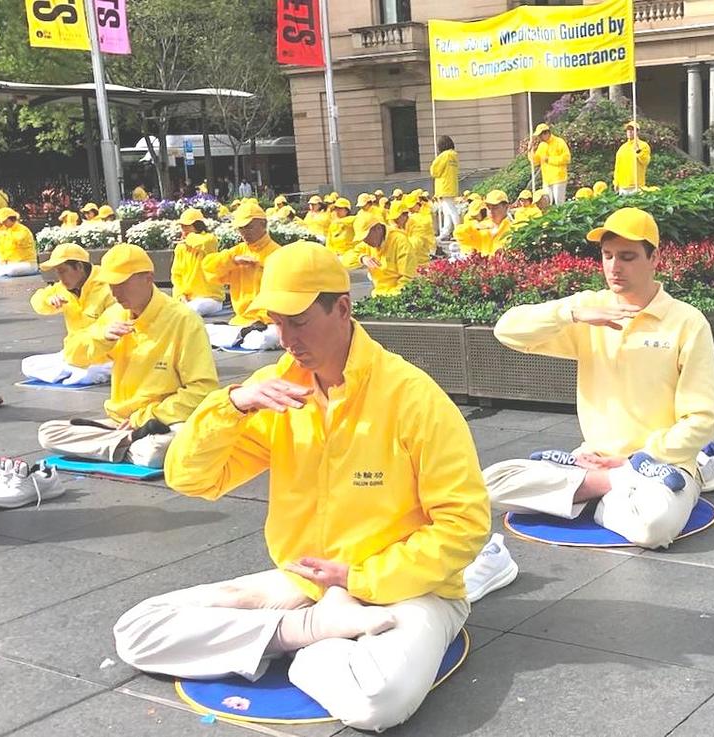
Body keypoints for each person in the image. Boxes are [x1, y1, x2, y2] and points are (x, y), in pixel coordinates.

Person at [112, 242, 489, 731]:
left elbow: (464, 525)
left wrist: (358, 580)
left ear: (344, 307)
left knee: (378, 701)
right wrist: (232, 405)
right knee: (138, 632)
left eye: (299, 320)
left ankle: (300, 644)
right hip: (306, 585)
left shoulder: (412, 396)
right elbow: (191, 478)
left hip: (411, 590)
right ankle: (312, 634)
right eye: (276, 321)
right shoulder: (278, 393)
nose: (286, 338)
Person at [483, 208, 714, 548]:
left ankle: (593, 492)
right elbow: (507, 331)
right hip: (590, 460)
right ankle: (605, 487)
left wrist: (635, 460)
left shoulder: (687, 323)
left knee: (654, 527)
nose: (614, 267)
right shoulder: (591, 309)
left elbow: (702, 420)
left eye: (627, 257)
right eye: (607, 256)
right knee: (490, 485)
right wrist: (572, 313)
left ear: (655, 258)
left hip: (660, 464)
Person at [37, 243, 219, 469]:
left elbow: (202, 389)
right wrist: (102, 337)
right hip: (120, 423)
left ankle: (118, 446)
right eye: (111, 284)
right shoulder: (115, 314)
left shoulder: (184, 320)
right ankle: (128, 445)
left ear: (148, 278)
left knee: (154, 450)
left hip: (162, 422)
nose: (115, 293)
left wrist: (146, 418)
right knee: (48, 433)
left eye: (122, 283)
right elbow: (72, 354)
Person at [23, 243, 116, 386]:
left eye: (63, 271)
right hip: (74, 353)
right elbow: (37, 301)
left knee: (87, 375)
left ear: (79, 267)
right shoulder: (63, 287)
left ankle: (76, 372)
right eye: (57, 272)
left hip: (105, 356)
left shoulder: (107, 288)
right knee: (28, 365)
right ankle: (72, 370)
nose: (60, 277)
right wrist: (48, 301)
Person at [203, 201, 282, 350]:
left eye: (249, 226)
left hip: (270, 322)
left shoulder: (279, 253)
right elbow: (209, 268)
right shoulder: (237, 252)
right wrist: (232, 261)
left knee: (265, 339)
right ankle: (242, 335)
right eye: (241, 228)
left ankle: (240, 337)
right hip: (242, 320)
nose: (244, 232)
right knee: (201, 331)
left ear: (263, 224)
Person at [345, 214, 417, 295]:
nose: (365, 241)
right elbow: (345, 261)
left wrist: (391, 298)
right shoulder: (367, 243)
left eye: (367, 236)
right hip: (378, 294)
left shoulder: (400, 241)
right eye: (363, 239)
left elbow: (408, 278)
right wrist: (362, 258)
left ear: (378, 228)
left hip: (398, 296)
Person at [172, 209, 225, 316]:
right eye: (182, 226)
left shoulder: (210, 239)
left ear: (198, 226)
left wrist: (188, 238)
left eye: (187, 226)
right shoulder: (180, 248)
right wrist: (179, 295)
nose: (183, 229)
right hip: (188, 300)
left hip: (211, 298)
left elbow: (203, 243)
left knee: (190, 311)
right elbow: (177, 275)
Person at [529, 123, 571, 205]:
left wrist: (549, 159)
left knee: (559, 203)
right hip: (546, 180)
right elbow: (535, 161)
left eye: (540, 135)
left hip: (558, 178)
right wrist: (531, 151)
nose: (539, 138)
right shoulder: (542, 145)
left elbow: (566, 158)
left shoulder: (559, 142)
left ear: (547, 133)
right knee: (547, 204)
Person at [0, 208, 38, 277]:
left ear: (10, 219)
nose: (2, 224)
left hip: (26, 263)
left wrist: (2, 234)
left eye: (4, 221)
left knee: (11, 270)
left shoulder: (22, 230)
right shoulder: (4, 231)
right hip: (8, 263)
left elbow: (15, 241)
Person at [430, 136, 461, 242]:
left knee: (450, 210)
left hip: (444, 186)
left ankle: (458, 231)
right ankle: (446, 232)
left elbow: (434, 171)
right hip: (451, 185)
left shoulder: (444, 156)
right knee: (448, 211)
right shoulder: (454, 156)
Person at [613, 121, 652, 194]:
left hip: (637, 185)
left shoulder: (643, 145)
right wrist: (616, 182)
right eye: (628, 130)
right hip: (623, 186)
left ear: (637, 131)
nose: (630, 132)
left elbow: (646, 161)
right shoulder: (622, 148)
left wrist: (638, 151)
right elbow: (617, 167)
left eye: (632, 129)